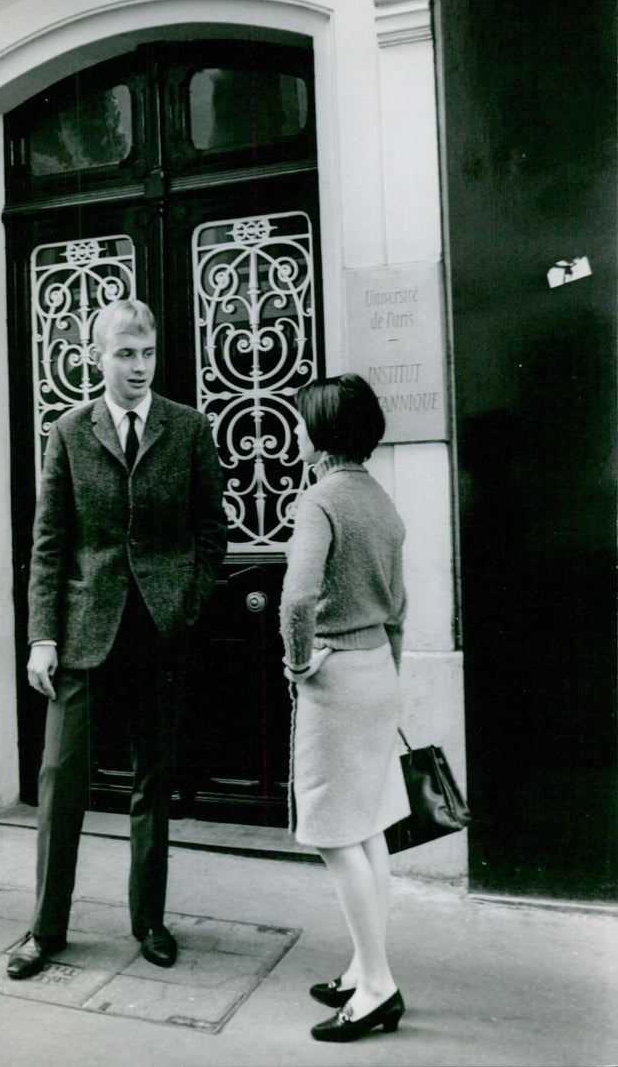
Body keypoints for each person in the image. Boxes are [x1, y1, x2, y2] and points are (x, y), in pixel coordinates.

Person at [7, 298, 227, 979]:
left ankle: (149, 921)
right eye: (123, 353)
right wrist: (42, 636)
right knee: (61, 780)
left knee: (153, 783)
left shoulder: (187, 429)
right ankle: (45, 930)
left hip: (158, 632)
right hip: (83, 633)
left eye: (147, 352)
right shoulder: (69, 431)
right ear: (95, 357)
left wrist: (184, 603)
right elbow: (48, 545)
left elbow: (211, 532)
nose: (138, 366)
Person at [279, 373, 410, 1043]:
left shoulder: (320, 501)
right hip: (377, 671)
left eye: (302, 423)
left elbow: (298, 597)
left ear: (322, 436)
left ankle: (379, 986)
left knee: (335, 834)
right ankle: (364, 968)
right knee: (368, 827)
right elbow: (400, 609)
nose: (296, 432)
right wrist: (387, 668)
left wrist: (298, 661)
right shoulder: (381, 502)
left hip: (334, 678)